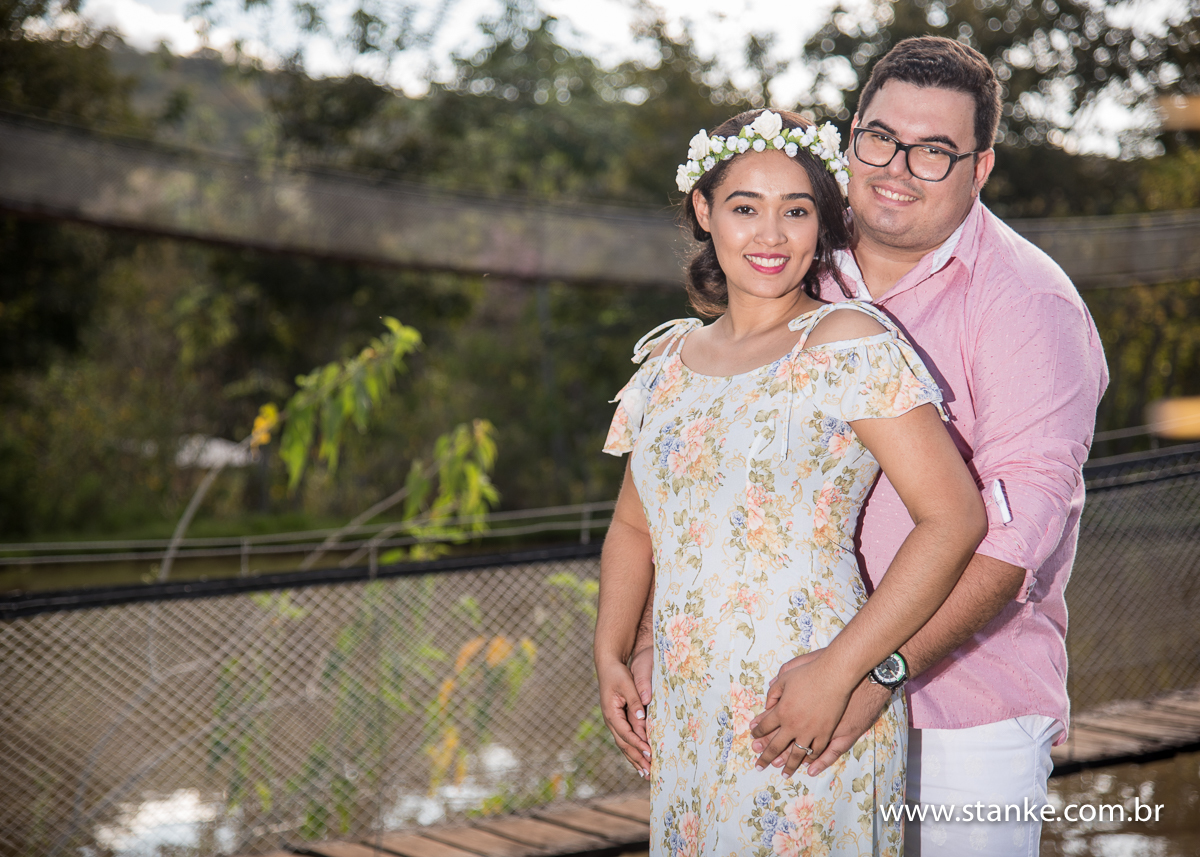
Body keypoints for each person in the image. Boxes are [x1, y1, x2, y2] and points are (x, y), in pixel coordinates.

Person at [628, 37, 1110, 856]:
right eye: (881, 138)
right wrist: (648, 639)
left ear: (980, 167)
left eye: (934, 152)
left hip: (964, 712)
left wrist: (874, 670)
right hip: (785, 698)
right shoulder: (796, 257)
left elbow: (1016, 535)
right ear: (851, 133)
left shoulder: (1031, 306)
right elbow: (700, 461)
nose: (896, 167)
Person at [593, 106, 987, 856]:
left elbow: (954, 518)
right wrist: (616, 651)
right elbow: (638, 528)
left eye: (796, 210)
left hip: (805, 698)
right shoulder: (666, 368)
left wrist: (841, 673)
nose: (770, 235)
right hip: (688, 705)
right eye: (746, 207)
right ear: (706, 211)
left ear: (822, 223)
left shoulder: (848, 343)